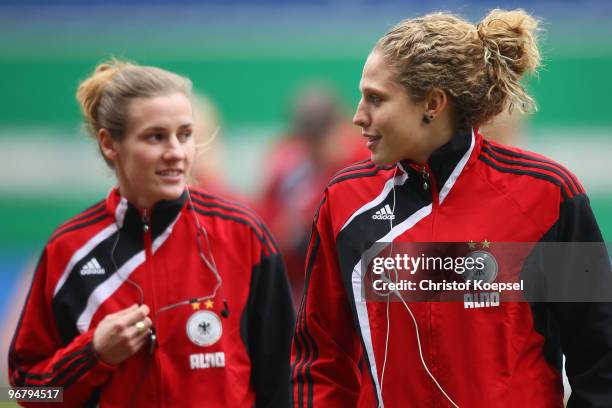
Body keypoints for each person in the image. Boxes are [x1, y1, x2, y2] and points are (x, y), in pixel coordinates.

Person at [291, 9, 612, 407]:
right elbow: (320, 361)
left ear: (433, 103)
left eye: (376, 99)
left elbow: (601, 360)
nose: (358, 117)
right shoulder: (344, 201)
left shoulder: (548, 194)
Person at [9, 60, 295, 407]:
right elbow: (25, 392)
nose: (176, 152)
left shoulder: (244, 235)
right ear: (109, 144)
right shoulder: (69, 249)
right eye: (155, 137)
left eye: (185, 135)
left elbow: (284, 382)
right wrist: (94, 354)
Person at [258, 85, 368, 306]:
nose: (316, 149)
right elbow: (266, 225)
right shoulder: (287, 163)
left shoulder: (367, 162)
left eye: (321, 139)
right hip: (300, 290)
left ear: (342, 127)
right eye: (309, 141)